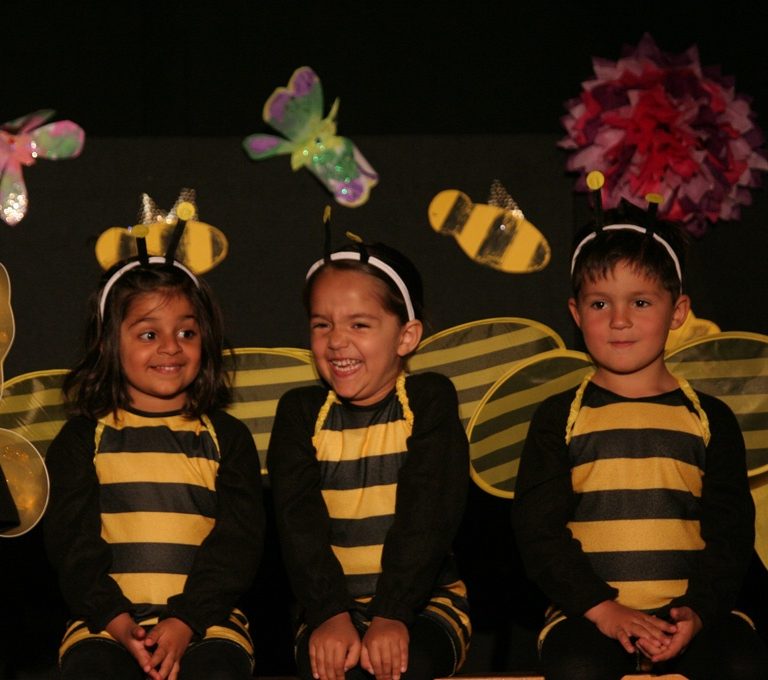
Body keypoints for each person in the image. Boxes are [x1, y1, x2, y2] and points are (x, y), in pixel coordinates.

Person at [513, 207, 768, 679]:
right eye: (599, 304)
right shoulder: (558, 418)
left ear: (679, 311)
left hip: (690, 617)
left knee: (741, 665)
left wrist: (696, 612)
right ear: (575, 313)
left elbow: (730, 535)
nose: (620, 321)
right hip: (587, 616)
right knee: (579, 669)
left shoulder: (711, 418)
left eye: (641, 302)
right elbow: (539, 533)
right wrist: (604, 610)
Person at [44, 255, 264, 680]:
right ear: (109, 343)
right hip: (103, 626)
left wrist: (186, 621)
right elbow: (72, 546)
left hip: (207, 624)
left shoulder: (226, 437)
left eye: (187, 331)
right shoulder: (82, 439)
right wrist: (116, 619)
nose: (171, 346)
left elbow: (238, 544)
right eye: (149, 333)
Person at [267, 239, 471, 680]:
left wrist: (393, 612)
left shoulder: (429, 401)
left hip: (423, 603)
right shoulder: (301, 412)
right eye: (322, 325)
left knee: (403, 668)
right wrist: (328, 614)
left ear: (406, 336)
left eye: (359, 324)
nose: (336, 340)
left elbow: (428, 515)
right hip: (329, 610)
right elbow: (297, 524)